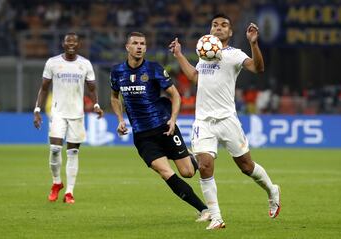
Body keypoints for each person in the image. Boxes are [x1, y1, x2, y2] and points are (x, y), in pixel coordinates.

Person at [169, 14, 281, 229]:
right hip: (203, 121)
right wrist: (179, 55)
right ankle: (217, 217)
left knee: (246, 167)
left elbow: (258, 68)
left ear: (230, 32)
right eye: (215, 24)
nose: (218, 28)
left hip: (227, 120)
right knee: (205, 165)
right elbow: (195, 77)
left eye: (224, 25)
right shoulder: (205, 51)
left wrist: (254, 43)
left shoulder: (234, 55)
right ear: (210, 30)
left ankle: (271, 189)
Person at [110, 32, 210, 221]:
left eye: (142, 43)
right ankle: (204, 210)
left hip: (165, 127)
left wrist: (173, 119)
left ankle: (190, 158)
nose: (139, 47)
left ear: (145, 48)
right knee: (165, 172)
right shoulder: (117, 72)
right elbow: (114, 97)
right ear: (127, 47)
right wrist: (120, 120)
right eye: (135, 43)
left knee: (187, 172)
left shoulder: (154, 69)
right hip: (142, 135)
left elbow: (176, 95)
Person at [33, 32, 104, 204]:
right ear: (63, 44)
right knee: (55, 149)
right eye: (68, 41)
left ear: (78, 44)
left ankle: (69, 192)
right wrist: (37, 109)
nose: (71, 43)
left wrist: (96, 105)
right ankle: (57, 183)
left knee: (73, 153)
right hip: (57, 112)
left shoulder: (85, 64)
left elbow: (92, 88)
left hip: (77, 114)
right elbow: (44, 88)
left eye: (74, 41)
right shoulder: (53, 62)